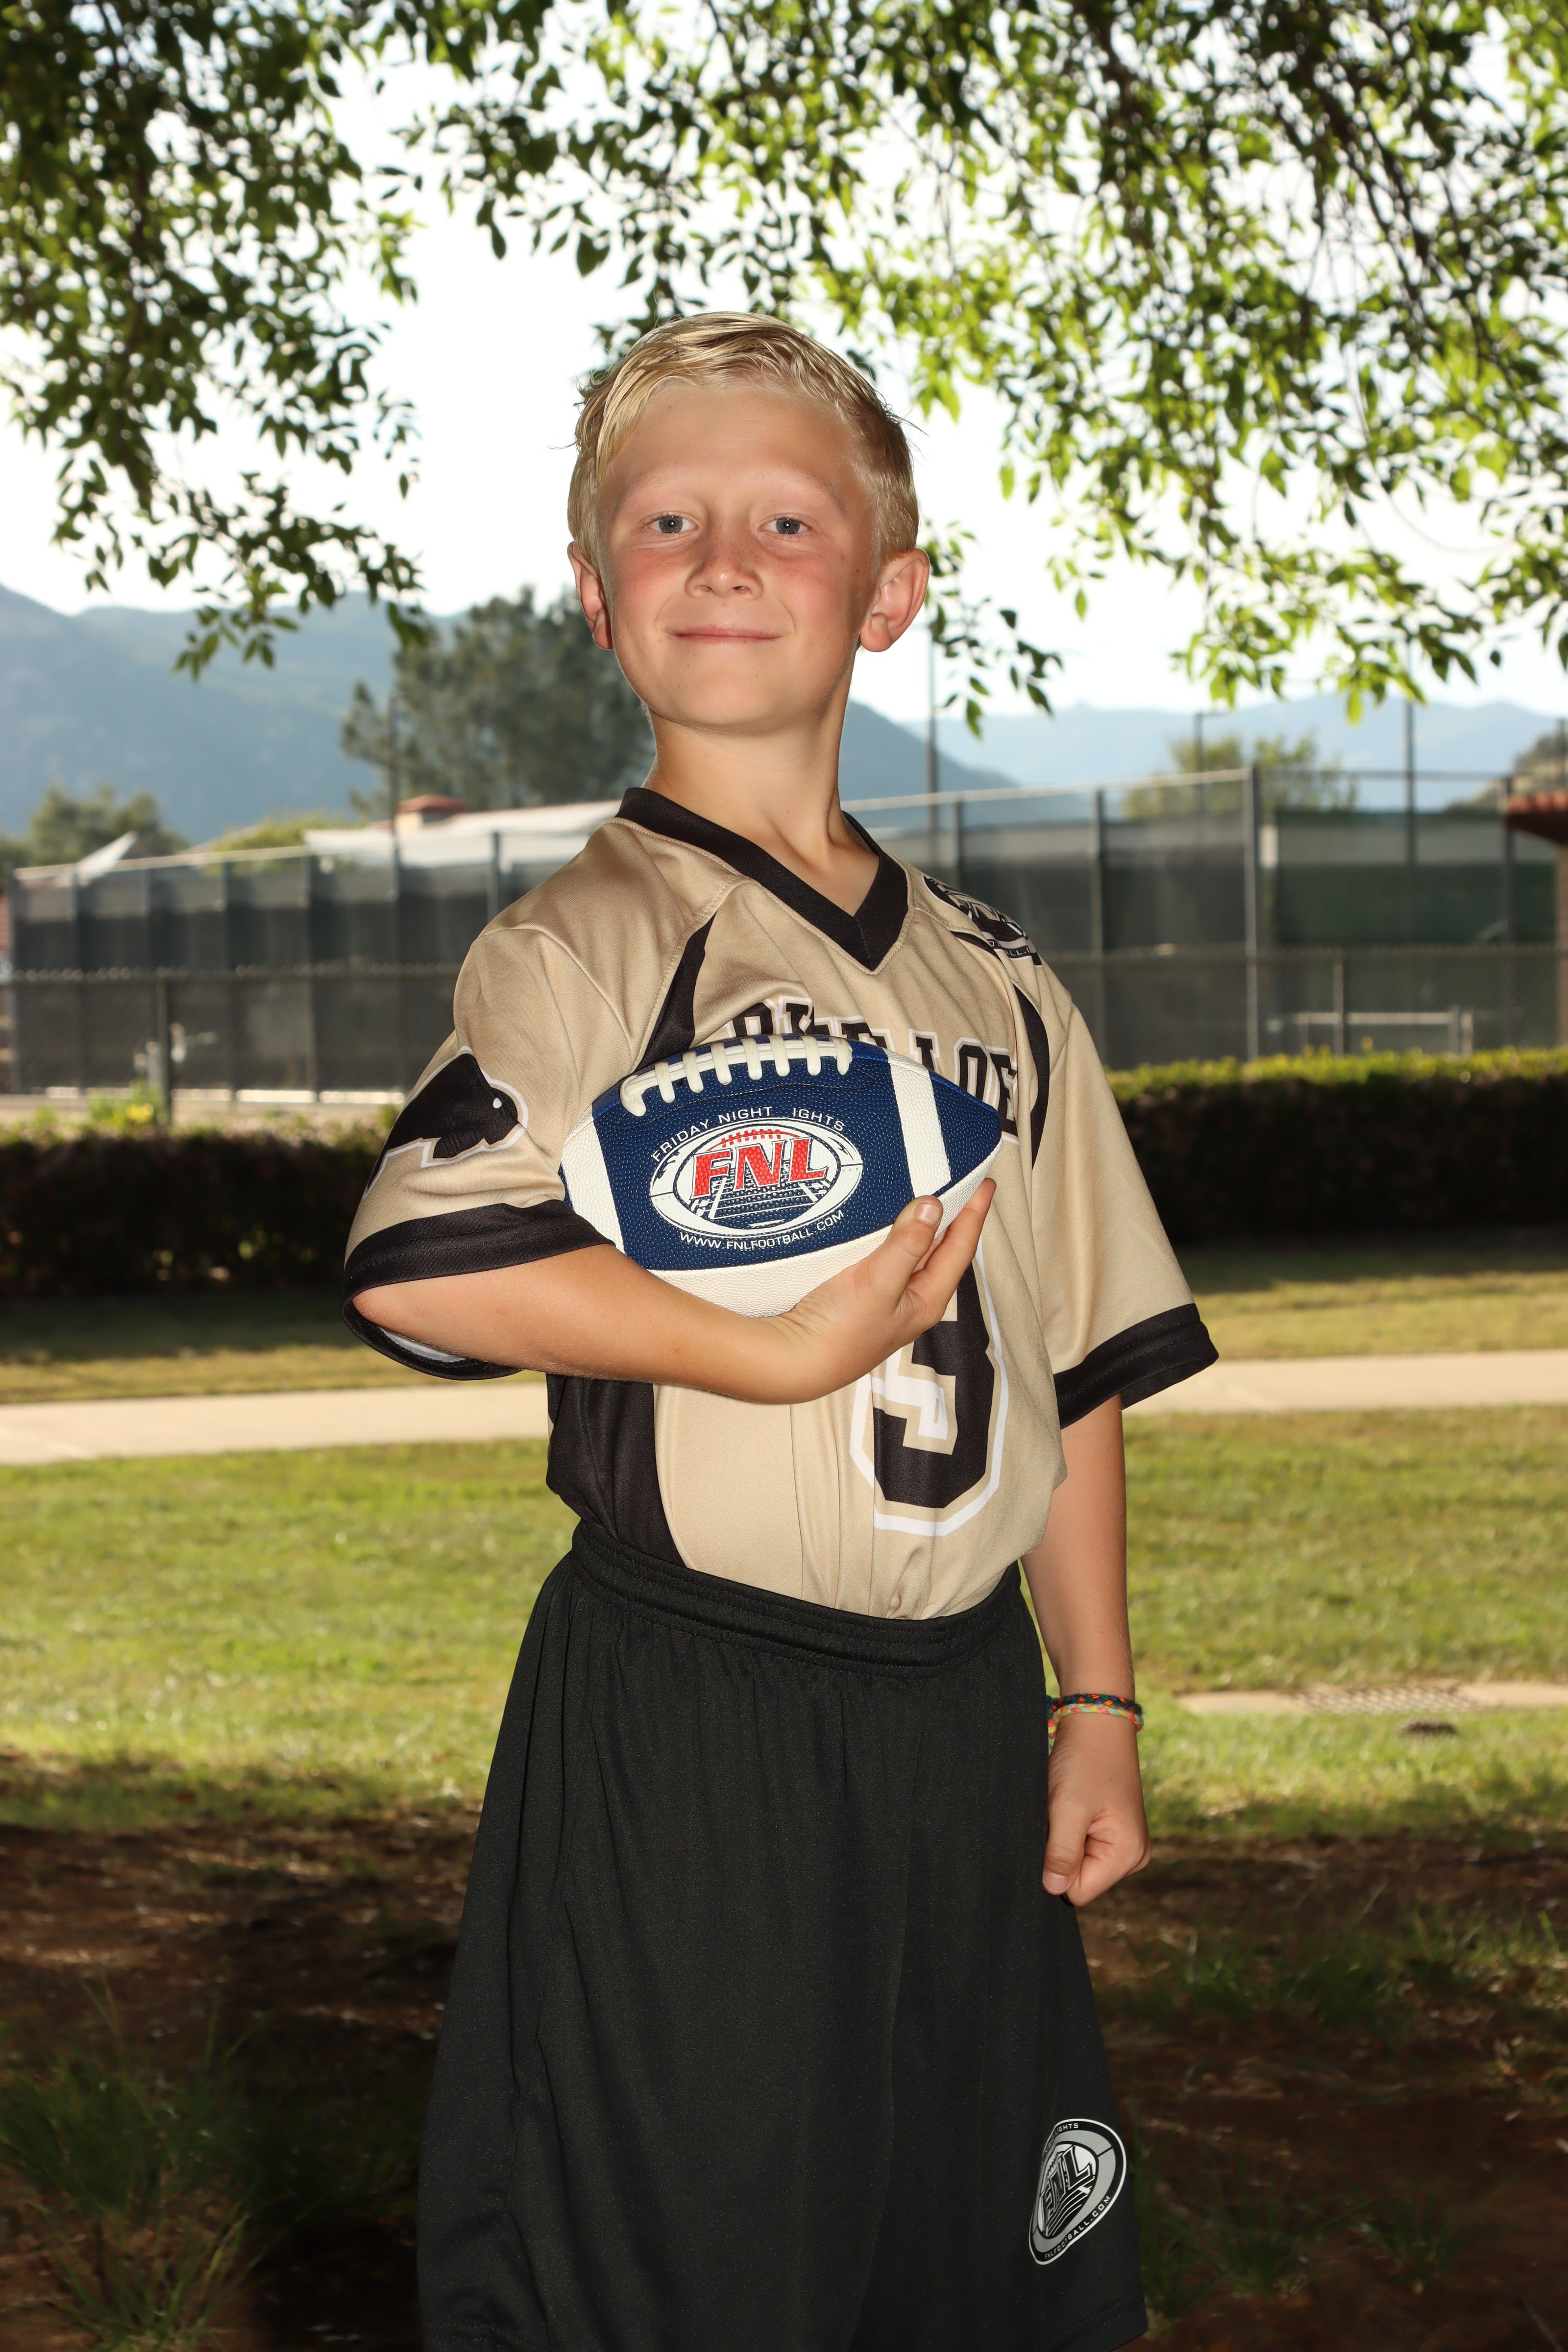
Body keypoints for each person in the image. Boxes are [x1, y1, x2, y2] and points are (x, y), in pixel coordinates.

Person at [344, 312, 1217, 2352]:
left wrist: (1094, 1701)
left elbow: (1079, 1368)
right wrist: (768, 1352)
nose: (722, 559)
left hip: (960, 1715)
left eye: (785, 521)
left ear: (887, 593)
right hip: (696, 1703)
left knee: (954, 2274)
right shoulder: (583, 943)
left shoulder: (1002, 983)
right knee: (674, 2270)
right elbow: (417, 1260)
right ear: (597, 596)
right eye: (666, 521)